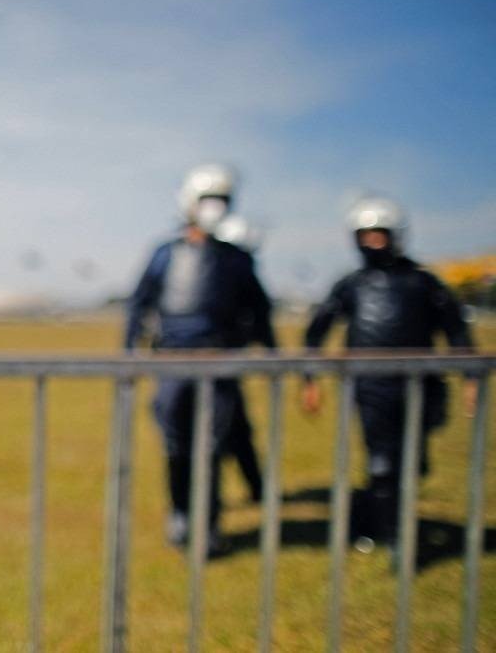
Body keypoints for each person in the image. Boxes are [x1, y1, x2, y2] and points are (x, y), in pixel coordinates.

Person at [301, 196, 476, 548]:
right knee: (382, 462)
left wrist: (471, 377)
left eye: (379, 234)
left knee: (412, 464)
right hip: (370, 389)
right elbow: (317, 330)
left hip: (419, 388)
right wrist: (310, 379)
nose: (373, 243)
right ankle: (387, 534)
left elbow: (456, 329)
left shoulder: (423, 283)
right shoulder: (352, 284)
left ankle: (378, 521)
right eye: (365, 236)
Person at [124, 164, 276, 554]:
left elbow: (260, 310)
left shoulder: (237, 259)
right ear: (189, 203)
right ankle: (180, 514)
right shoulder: (164, 254)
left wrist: (270, 355)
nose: (214, 207)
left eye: (222, 200)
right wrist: (129, 355)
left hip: (219, 366)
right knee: (175, 445)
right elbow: (139, 304)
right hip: (172, 364)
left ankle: (208, 524)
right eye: (207, 199)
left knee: (212, 447)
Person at [214, 214, 266, 503]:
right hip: (213, 367)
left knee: (232, 432)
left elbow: (260, 316)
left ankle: (256, 488)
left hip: (227, 370)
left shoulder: (239, 275)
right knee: (220, 434)